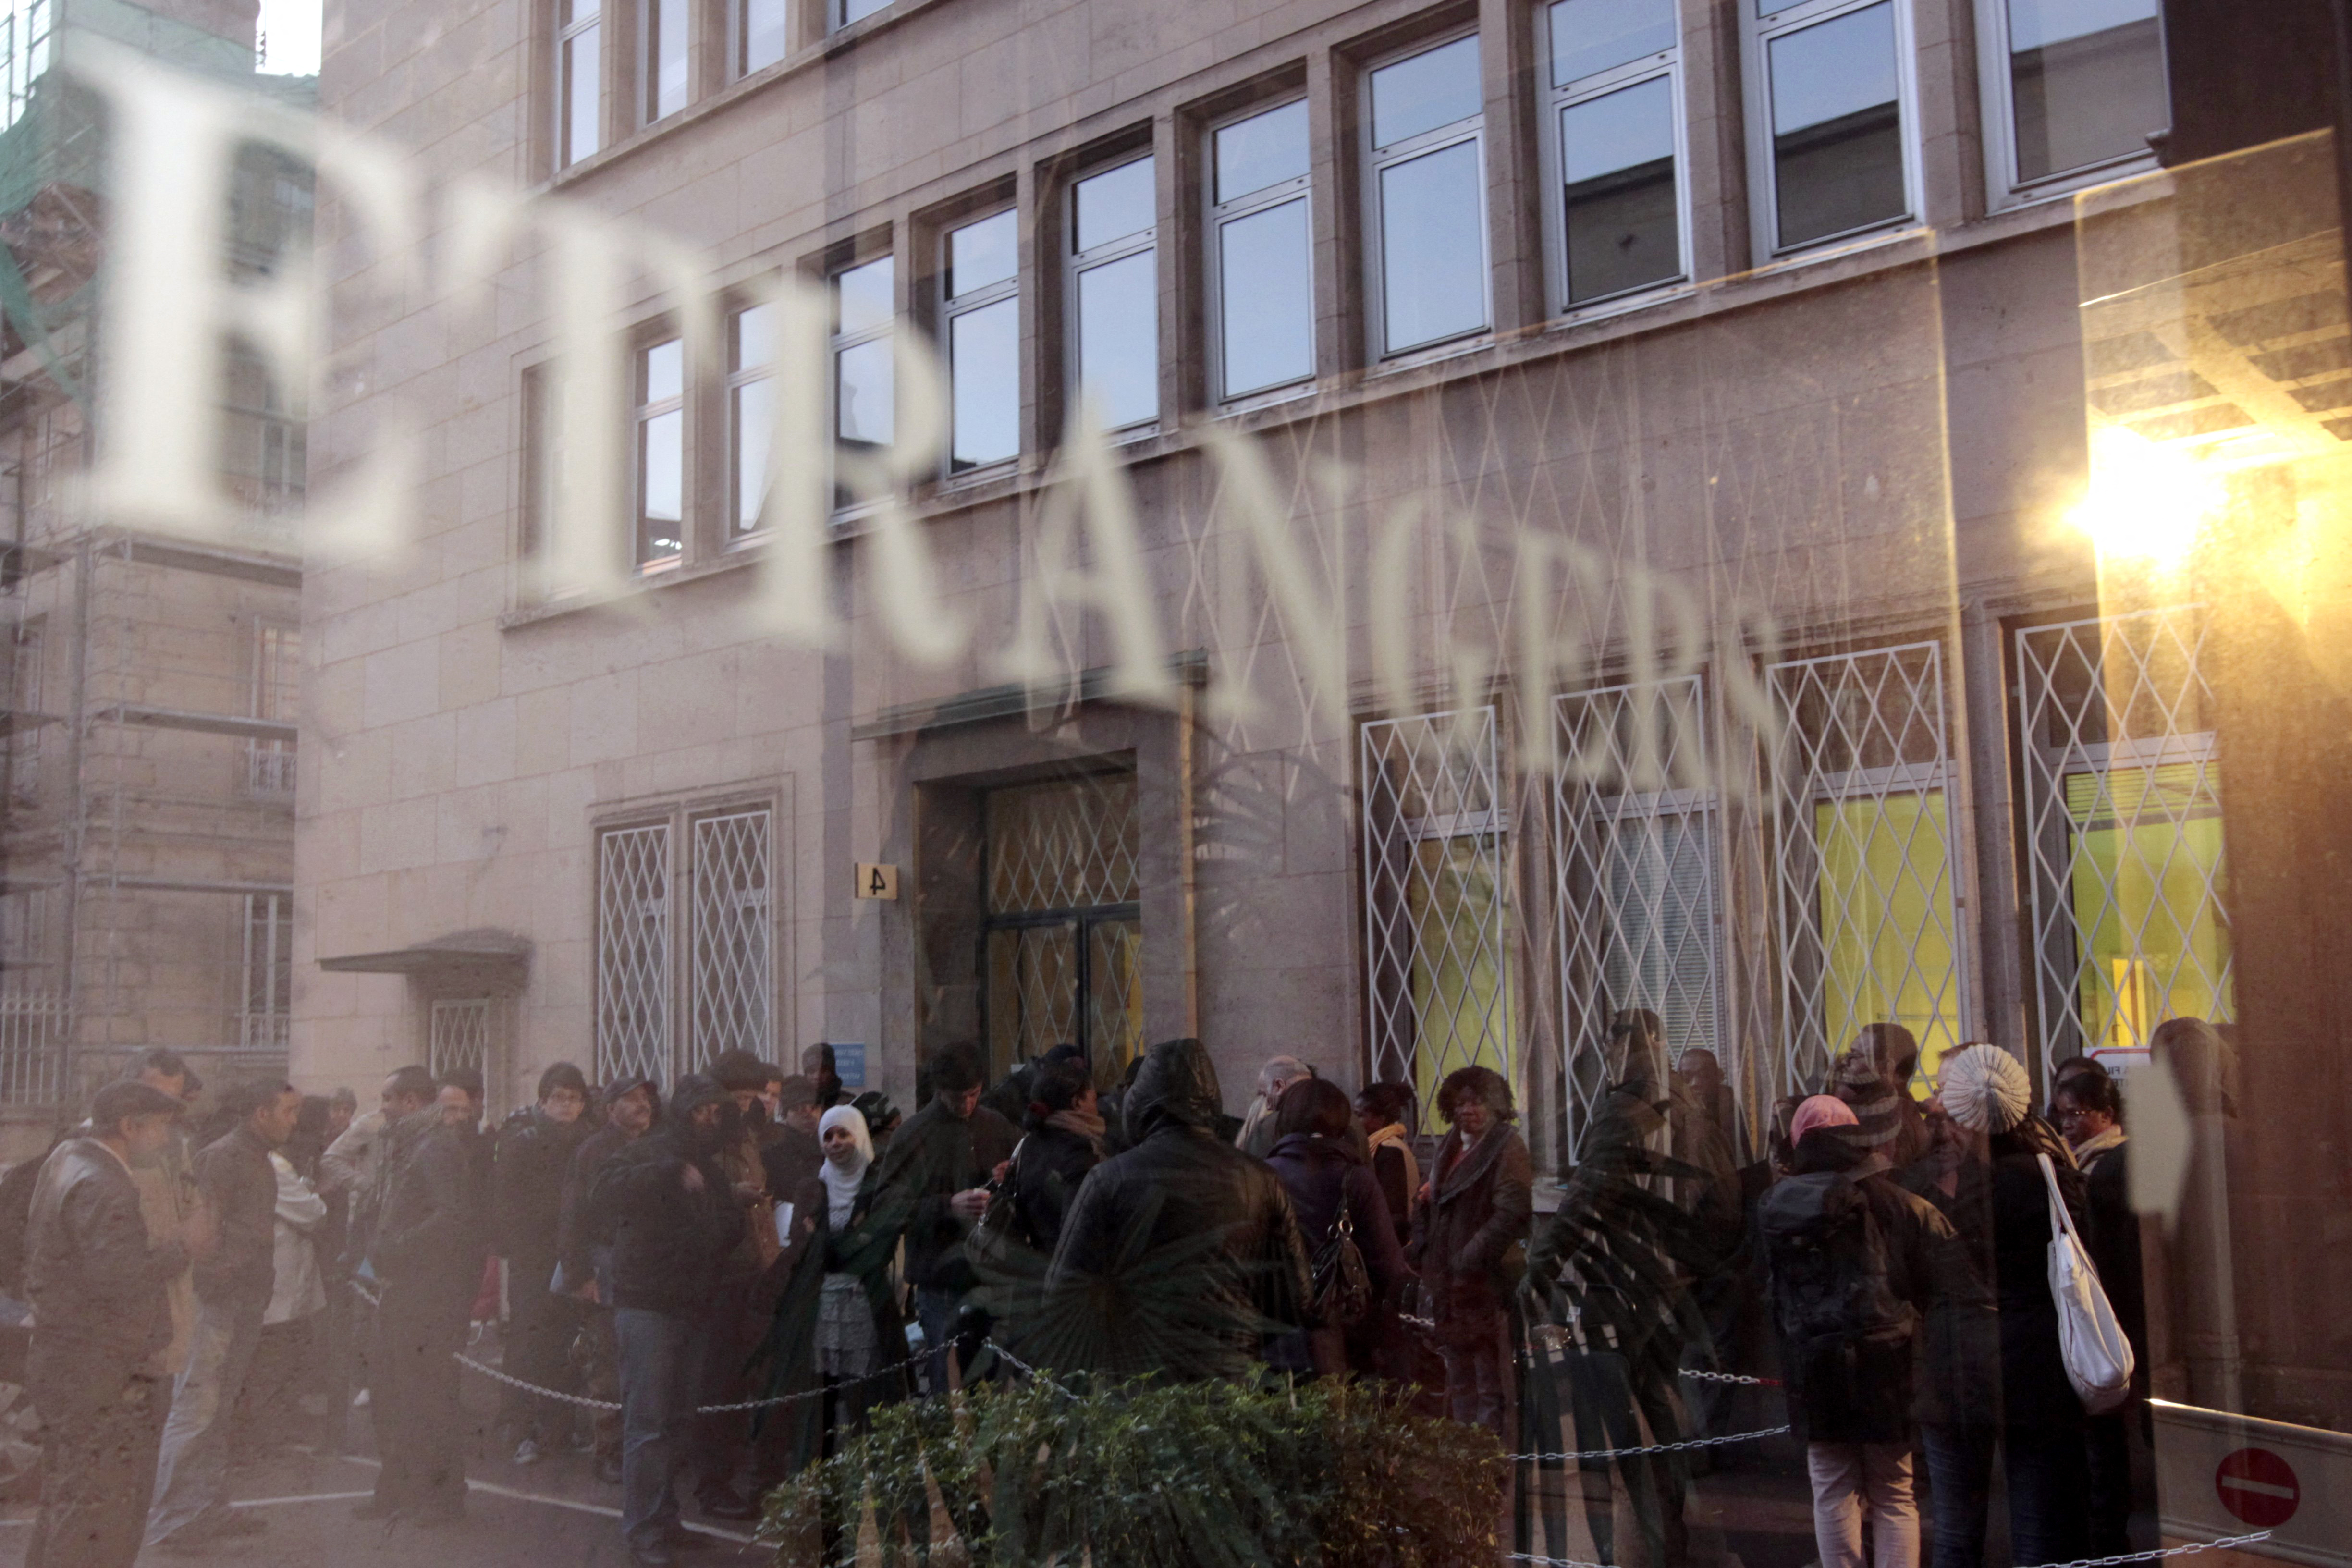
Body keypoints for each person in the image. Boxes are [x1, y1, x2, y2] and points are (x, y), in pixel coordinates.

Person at [1763, 1096, 1982, 1568]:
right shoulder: (1892, 1200)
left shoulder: (1777, 1204)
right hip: (1887, 1358)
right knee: (1893, 1489)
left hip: (1813, 1360)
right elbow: (1936, 1276)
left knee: (1831, 1485)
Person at [1907, 1043, 2091, 1568]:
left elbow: (1916, 1274)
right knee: (2038, 1531)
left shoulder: (1939, 1185)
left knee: (1957, 1533)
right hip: (2035, 1361)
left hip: (1957, 1362)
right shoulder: (2052, 1175)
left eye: (1944, 1093)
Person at [24, 1081, 213, 1568]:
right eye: (162, 1128)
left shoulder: (68, 1158)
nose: (168, 1140)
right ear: (131, 1127)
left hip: (66, 1362)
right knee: (97, 1512)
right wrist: (184, 1246)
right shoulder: (105, 1184)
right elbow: (118, 1280)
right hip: (97, 1373)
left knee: (68, 1501)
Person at [1049, 1037, 1311, 1380]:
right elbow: (1296, 1300)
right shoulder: (1262, 1179)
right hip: (1232, 1374)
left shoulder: (1109, 1179)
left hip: (1139, 1378)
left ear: (1143, 1104)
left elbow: (1062, 1292)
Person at [583, 1074, 744, 1568]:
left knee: (676, 1420)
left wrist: (714, 1236)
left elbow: (729, 1224)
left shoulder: (710, 1166)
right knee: (648, 1422)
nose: (708, 1121)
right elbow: (603, 1191)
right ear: (682, 1111)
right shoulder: (650, 1151)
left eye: (716, 1113)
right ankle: (643, 1528)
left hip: (691, 1304)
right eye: (700, 1111)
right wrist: (668, 1172)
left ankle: (664, 1518)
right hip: (647, 1305)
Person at [146, 1079, 302, 1551]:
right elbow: (202, 1228)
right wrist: (220, 1281)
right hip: (216, 1301)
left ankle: (206, 1507)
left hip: (244, 1300)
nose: (294, 1121)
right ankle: (173, 1519)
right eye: (288, 1111)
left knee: (219, 1408)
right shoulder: (223, 1157)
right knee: (196, 1408)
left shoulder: (258, 1159)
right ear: (260, 1113)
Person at [357, 1072, 478, 1525]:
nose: (383, 1106)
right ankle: (397, 1489)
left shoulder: (436, 1147)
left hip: (427, 1294)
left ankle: (440, 1496)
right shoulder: (410, 1144)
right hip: (400, 1289)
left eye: (388, 1098)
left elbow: (450, 1217)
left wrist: (398, 1247)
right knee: (392, 1394)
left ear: (411, 1101)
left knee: (427, 1397)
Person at [871, 1042, 1017, 1389]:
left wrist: (1010, 1177)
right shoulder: (914, 1134)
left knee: (995, 1386)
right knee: (948, 1388)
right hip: (941, 1282)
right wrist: (946, 1205)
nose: (966, 1105)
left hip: (992, 1277)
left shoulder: (996, 1127)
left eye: (974, 1095)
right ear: (939, 1091)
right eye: (957, 1097)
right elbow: (887, 1207)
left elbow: (1024, 1186)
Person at [2052, 1063, 2147, 1556]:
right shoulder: (2086, 1162)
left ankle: (2109, 1532)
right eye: (2061, 1115)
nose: (2067, 1124)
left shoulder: (2104, 1167)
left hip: (2111, 1314)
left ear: (2107, 1114)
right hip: (2114, 1313)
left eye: (2077, 1114)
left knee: (2105, 1433)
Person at [1263, 1078, 1411, 1378]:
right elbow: (1390, 1266)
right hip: (1338, 1337)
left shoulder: (1260, 1175)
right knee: (1334, 1418)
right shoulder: (1355, 1178)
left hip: (1271, 1334)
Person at [1417, 1064, 1531, 1436]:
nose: (1469, 1110)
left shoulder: (1507, 1145)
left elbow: (1511, 1213)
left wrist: (1466, 1259)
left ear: (1497, 1106)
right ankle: (1465, 1452)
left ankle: (1489, 1455)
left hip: (1483, 1280)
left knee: (1488, 1375)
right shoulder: (1451, 1143)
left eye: (1479, 1102)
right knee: (1458, 1370)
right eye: (1462, 1102)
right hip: (1448, 1281)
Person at [493, 1061, 592, 1464]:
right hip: (533, 1255)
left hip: (569, 1257)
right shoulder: (524, 1139)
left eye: (574, 1098)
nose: (566, 1105)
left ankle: (560, 1429)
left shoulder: (587, 1141)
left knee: (567, 1343)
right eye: (558, 1097)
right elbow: (507, 1199)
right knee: (527, 1341)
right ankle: (519, 1430)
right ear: (543, 1100)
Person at [561, 1077, 659, 1483]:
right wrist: (580, 1275)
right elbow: (572, 1215)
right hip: (605, 1265)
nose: (643, 1105)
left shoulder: (653, 1145)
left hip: (644, 1267)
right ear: (610, 1108)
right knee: (608, 1363)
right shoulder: (595, 1151)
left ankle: (637, 1446)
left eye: (645, 1098)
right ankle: (609, 1451)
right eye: (631, 1099)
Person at [237, 1102, 330, 1457]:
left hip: (280, 1282)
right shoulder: (274, 1167)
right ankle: (266, 1439)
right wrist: (312, 1194)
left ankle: (265, 1434)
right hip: (281, 1281)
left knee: (271, 1363)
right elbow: (313, 1213)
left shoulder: (267, 1163)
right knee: (274, 1364)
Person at [1001, 1057, 1106, 1255]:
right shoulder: (1080, 1153)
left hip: (1031, 1264)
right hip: (1063, 1272)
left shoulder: (1030, 1143)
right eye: (1093, 1100)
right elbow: (1079, 1234)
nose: (1098, 1108)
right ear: (1077, 1103)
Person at [1355, 1082, 1419, 1247]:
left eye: (1360, 1115)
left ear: (1380, 1120)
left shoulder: (1389, 1150)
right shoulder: (1383, 1145)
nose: (1355, 1122)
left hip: (1391, 1244)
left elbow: (1392, 1211)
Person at [1234, 1055, 1310, 1158]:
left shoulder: (1270, 1126)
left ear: (1279, 1086)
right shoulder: (1329, 1114)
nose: (1268, 1107)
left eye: (1266, 1095)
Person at [760, 1076, 824, 1195]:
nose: (808, 1114)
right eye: (798, 1108)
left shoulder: (829, 1143)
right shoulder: (775, 1150)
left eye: (813, 1107)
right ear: (786, 1114)